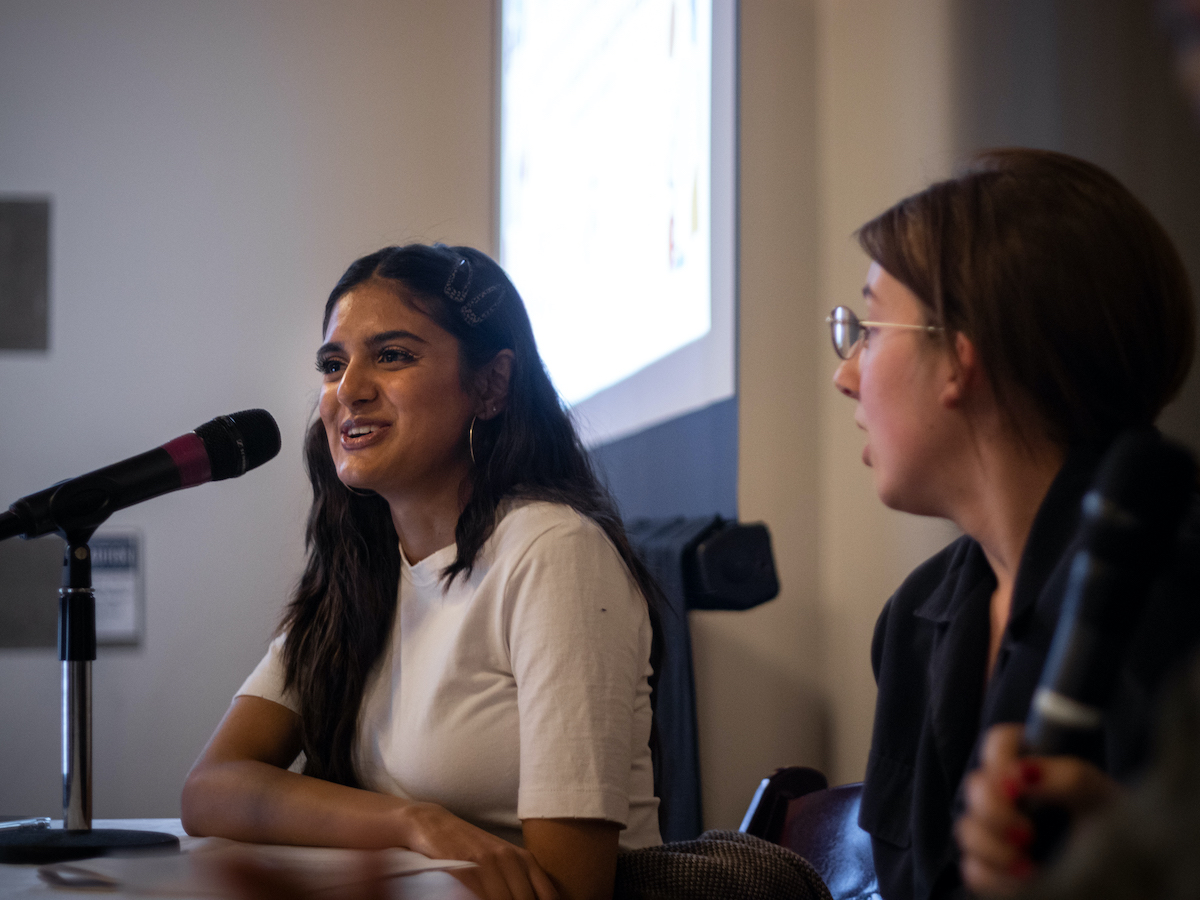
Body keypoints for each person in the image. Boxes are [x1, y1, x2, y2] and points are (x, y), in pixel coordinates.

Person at [182, 243, 663, 900]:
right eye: (333, 363)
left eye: (392, 356)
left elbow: (568, 888)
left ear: (491, 385)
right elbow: (212, 788)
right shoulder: (364, 566)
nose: (348, 390)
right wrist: (414, 824)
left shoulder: (552, 551)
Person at [828, 148, 1200, 900]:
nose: (845, 375)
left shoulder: (1178, 594)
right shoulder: (912, 619)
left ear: (960, 360)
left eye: (866, 327)